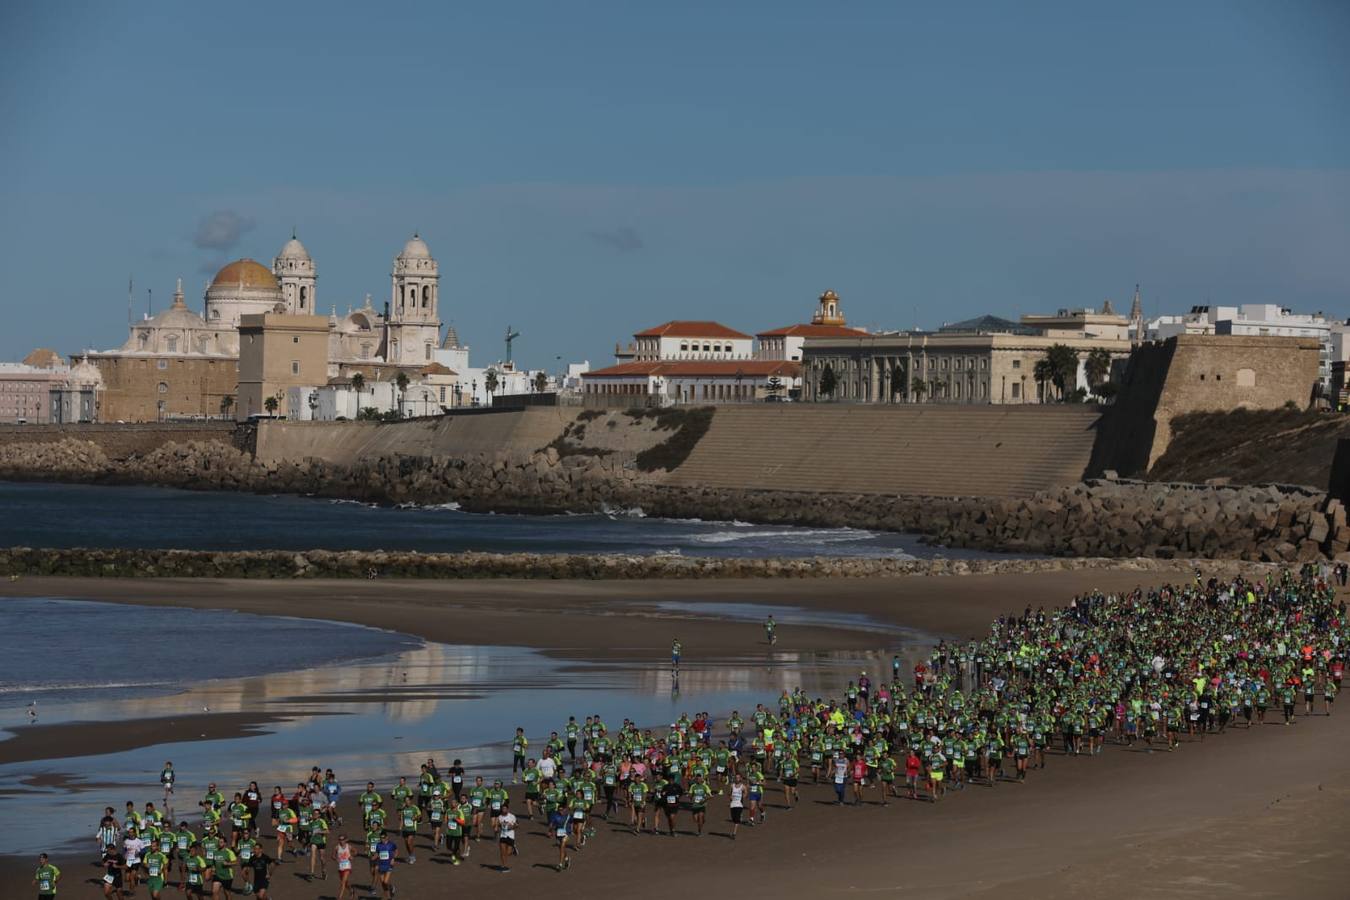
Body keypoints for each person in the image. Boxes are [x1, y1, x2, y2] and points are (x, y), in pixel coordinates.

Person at [373, 830, 398, 900]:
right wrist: (373, 857)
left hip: (389, 865)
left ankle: (391, 887)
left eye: (384, 838)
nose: (382, 839)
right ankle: (388, 897)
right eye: (381, 838)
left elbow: (396, 851)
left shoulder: (391, 844)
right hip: (381, 865)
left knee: (385, 881)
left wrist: (393, 858)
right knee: (383, 884)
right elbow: (377, 853)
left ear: (387, 837)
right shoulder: (378, 845)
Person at [496, 801, 517, 872]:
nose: (504, 810)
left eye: (505, 809)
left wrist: (512, 827)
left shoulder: (512, 816)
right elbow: (498, 825)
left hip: (510, 836)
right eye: (503, 809)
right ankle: (503, 866)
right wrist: (497, 828)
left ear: (508, 809)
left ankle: (513, 849)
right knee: (502, 852)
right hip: (503, 835)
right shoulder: (499, 817)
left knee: (508, 853)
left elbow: (517, 825)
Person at [333, 835, 354, 900]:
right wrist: (336, 859)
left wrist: (351, 856)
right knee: (345, 882)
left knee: (342, 883)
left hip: (347, 866)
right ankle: (351, 890)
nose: (341, 841)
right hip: (340, 867)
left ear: (345, 840)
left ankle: (339, 897)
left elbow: (355, 851)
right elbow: (332, 856)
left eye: (342, 839)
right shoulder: (336, 847)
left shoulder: (349, 846)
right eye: (340, 839)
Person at [728, 773, 746, 840]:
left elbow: (746, 793)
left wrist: (743, 797)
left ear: (741, 778)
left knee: (736, 820)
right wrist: (730, 797)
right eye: (736, 777)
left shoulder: (743, 786)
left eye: (738, 777)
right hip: (733, 804)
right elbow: (729, 793)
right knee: (733, 818)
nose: (737, 779)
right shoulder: (732, 785)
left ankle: (734, 834)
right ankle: (739, 817)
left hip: (739, 804)